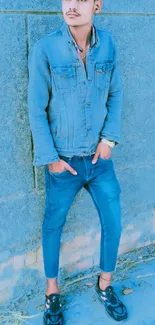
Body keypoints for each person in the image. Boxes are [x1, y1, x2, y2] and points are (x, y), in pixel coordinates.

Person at [28, 0, 128, 323]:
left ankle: (105, 285)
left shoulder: (108, 44)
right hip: (63, 163)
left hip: (99, 160)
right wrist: (51, 160)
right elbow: (35, 110)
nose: (72, 5)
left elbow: (116, 93)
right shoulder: (46, 49)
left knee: (113, 217)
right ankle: (51, 293)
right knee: (53, 225)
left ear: (97, 5)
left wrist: (109, 139)